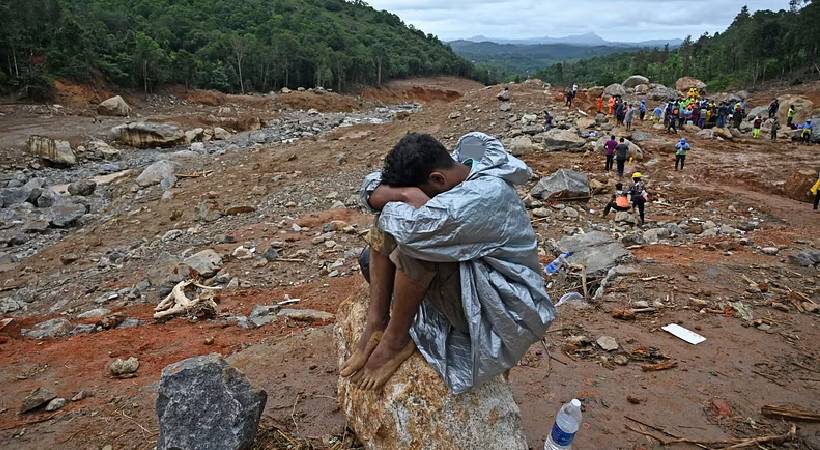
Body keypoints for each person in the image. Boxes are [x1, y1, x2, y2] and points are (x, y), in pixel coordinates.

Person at [346, 132, 554, 393]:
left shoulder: (484, 195)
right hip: (473, 278)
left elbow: (410, 231)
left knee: (417, 248)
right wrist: (407, 195)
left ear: (437, 179)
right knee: (385, 231)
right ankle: (377, 322)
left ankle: (395, 341)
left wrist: (394, 199)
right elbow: (370, 187)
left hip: (500, 309)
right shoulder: (456, 167)